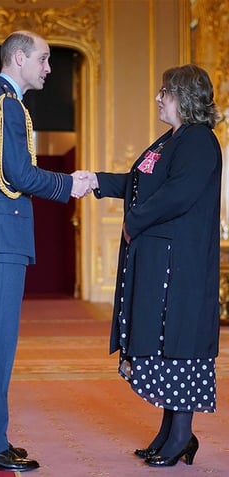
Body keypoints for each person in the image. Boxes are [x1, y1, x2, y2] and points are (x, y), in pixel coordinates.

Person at [0, 30, 92, 472]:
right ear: (18, 58)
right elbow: (17, 174)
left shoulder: (2, 102)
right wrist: (68, 184)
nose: (49, 68)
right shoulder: (4, 105)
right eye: (44, 59)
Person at [75, 64, 221, 468]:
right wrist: (97, 182)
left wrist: (132, 222)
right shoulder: (171, 140)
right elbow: (141, 183)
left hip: (182, 264)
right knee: (163, 339)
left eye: (165, 92)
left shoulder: (198, 141)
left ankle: (180, 436)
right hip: (164, 260)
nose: (158, 97)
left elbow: (178, 194)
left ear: (184, 97)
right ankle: (171, 432)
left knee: (180, 343)